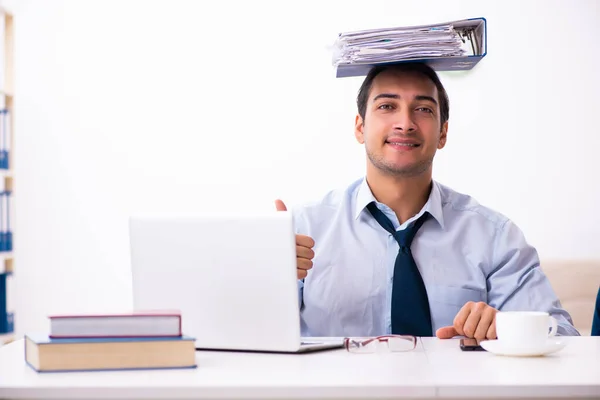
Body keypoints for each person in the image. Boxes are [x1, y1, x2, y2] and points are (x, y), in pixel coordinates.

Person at [275, 62, 579, 340]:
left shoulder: (495, 237)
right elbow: (244, 338)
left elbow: (562, 335)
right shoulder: (302, 230)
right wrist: (266, 279)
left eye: (423, 109)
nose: (405, 123)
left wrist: (508, 328)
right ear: (360, 127)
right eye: (387, 106)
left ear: (443, 133)